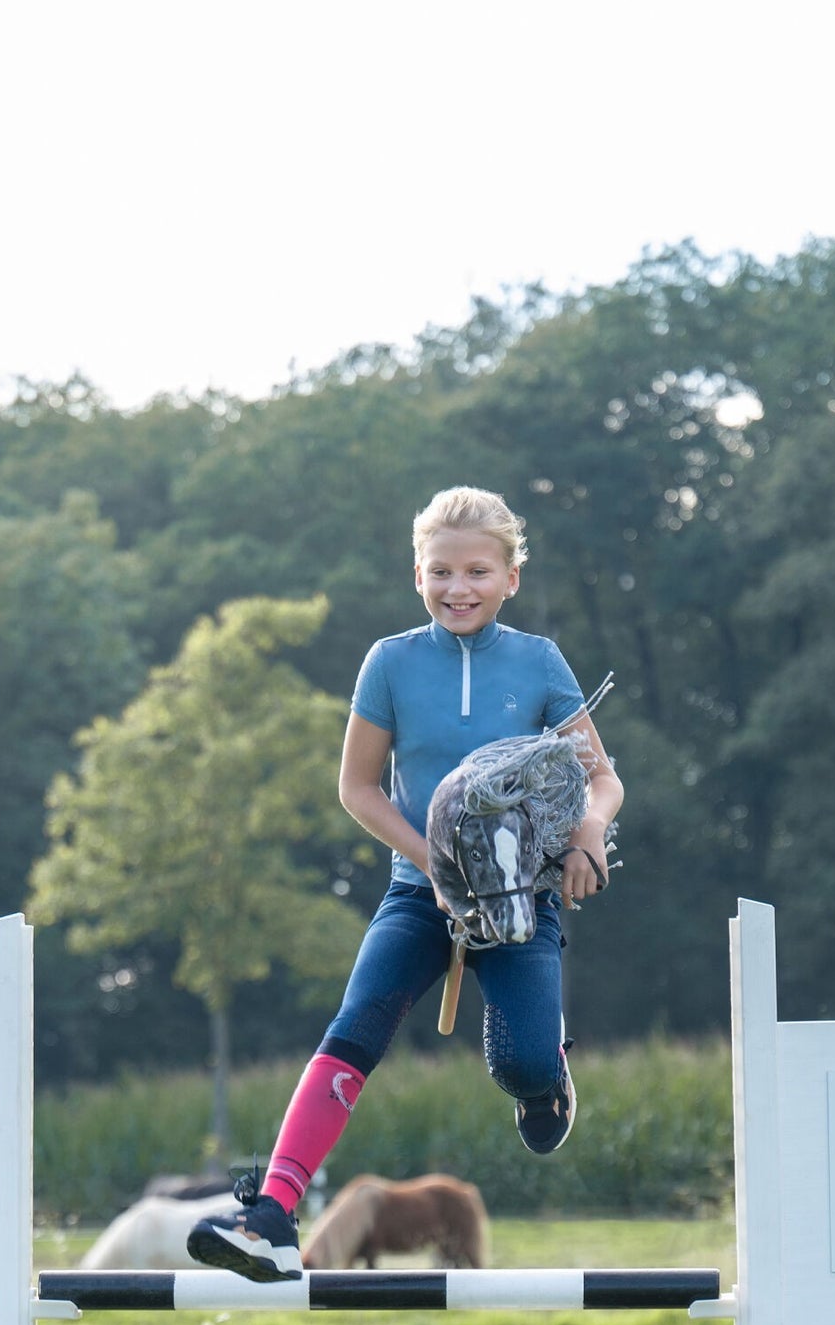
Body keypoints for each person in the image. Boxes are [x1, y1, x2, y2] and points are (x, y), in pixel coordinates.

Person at [188, 485, 623, 1283]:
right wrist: (439, 865)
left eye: (478, 572)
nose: (459, 588)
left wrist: (588, 834)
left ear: (510, 578)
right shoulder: (389, 662)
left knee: (524, 1061)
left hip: (522, 898)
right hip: (417, 889)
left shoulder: (539, 663)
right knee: (355, 1027)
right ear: (416, 575)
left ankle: (544, 1077)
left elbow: (603, 781)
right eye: (441, 572)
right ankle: (272, 1217)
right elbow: (359, 789)